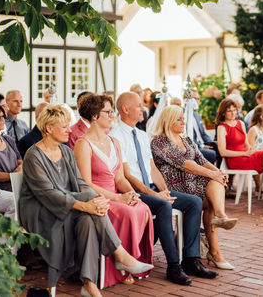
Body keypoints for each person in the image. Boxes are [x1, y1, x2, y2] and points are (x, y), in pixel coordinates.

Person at [19, 105, 153, 297]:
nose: (69, 130)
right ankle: (119, 254)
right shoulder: (33, 155)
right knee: (90, 210)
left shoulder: (65, 151)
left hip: (67, 206)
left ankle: (89, 284)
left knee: (89, 219)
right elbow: (48, 194)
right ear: (48, 128)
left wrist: (96, 201)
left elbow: (80, 183)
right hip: (42, 213)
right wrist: (86, 204)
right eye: (64, 126)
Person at [110, 92, 217, 285]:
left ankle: (191, 259)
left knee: (194, 202)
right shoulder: (116, 136)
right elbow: (126, 175)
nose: (143, 108)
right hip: (133, 191)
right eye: (139, 105)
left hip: (151, 188)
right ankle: (173, 265)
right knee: (163, 205)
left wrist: (165, 190)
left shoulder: (142, 135)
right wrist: (155, 195)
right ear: (125, 109)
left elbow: (152, 169)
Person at [74, 94, 153, 287]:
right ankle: (121, 264)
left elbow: (119, 178)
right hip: (98, 198)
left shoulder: (114, 142)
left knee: (142, 207)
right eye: (108, 112)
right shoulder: (83, 144)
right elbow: (86, 183)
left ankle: (128, 260)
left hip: (117, 195)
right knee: (127, 212)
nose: (112, 115)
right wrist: (118, 198)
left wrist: (131, 193)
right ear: (94, 116)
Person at [151, 105, 238, 270]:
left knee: (215, 187)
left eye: (183, 119)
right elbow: (185, 164)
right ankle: (215, 251)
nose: (183, 122)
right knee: (212, 187)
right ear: (168, 121)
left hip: (193, 185)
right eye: (179, 119)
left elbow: (201, 159)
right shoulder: (159, 141)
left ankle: (220, 220)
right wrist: (213, 174)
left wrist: (218, 172)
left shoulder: (187, 139)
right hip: (174, 187)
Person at [217, 98, 263, 215]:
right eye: (229, 111)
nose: (233, 113)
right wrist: (244, 153)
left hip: (246, 155)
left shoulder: (240, 123)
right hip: (236, 159)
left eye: (234, 110)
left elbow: (246, 143)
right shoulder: (222, 127)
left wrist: (250, 148)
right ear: (223, 112)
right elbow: (223, 152)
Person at [189, 89, 217, 164]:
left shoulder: (197, 115)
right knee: (211, 154)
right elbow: (188, 137)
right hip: (194, 146)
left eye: (198, 99)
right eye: (194, 98)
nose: (197, 101)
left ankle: (221, 173)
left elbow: (203, 134)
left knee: (218, 148)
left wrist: (210, 143)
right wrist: (202, 146)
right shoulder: (183, 114)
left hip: (203, 144)